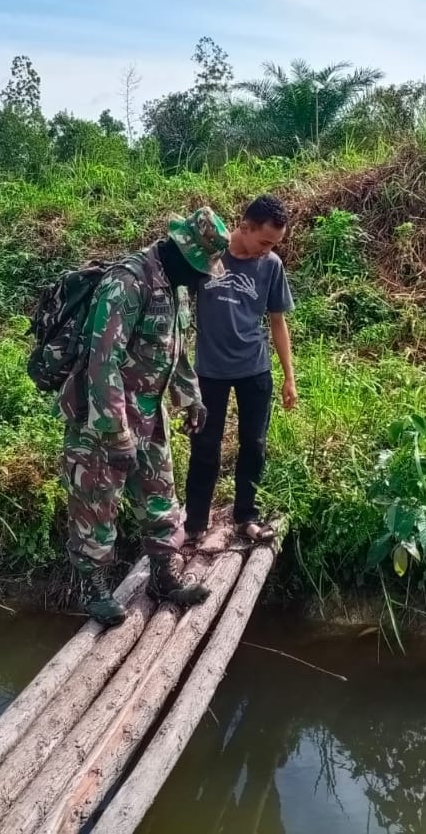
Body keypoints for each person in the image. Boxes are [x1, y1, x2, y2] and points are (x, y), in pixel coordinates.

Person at [58, 206, 231, 625]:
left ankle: (163, 576)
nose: (204, 278)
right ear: (181, 254)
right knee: (96, 504)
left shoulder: (175, 287)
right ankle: (93, 585)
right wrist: (116, 433)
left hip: (150, 414)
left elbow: (173, 350)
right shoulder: (127, 283)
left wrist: (190, 398)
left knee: (160, 499)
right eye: (200, 269)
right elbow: (103, 363)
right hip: (103, 417)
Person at [184, 195, 295, 544]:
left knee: (254, 444)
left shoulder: (271, 265)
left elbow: (277, 322)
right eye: (264, 241)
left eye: (274, 244)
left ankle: (246, 516)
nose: (268, 250)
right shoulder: (208, 257)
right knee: (204, 446)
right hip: (210, 371)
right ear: (244, 227)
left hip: (254, 369)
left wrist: (289, 377)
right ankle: (195, 524)